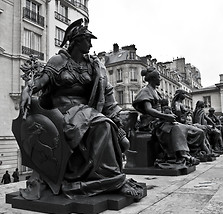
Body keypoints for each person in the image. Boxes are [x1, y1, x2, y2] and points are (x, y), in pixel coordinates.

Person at [20, 19, 143, 201]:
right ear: (76, 40)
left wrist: (115, 115)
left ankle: (103, 177)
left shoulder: (91, 65)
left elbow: (105, 90)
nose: (91, 44)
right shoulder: (58, 61)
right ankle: (112, 179)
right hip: (62, 112)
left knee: (107, 126)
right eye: (87, 39)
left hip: (86, 112)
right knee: (102, 125)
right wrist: (26, 90)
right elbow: (39, 82)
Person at [132, 67, 200, 166]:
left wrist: (167, 115)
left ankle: (185, 153)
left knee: (183, 127)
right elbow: (148, 109)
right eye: (159, 77)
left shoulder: (156, 92)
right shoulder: (145, 91)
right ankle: (181, 156)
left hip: (160, 119)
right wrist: (165, 116)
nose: (160, 79)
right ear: (153, 78)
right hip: (150, 122)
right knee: (175, 128)